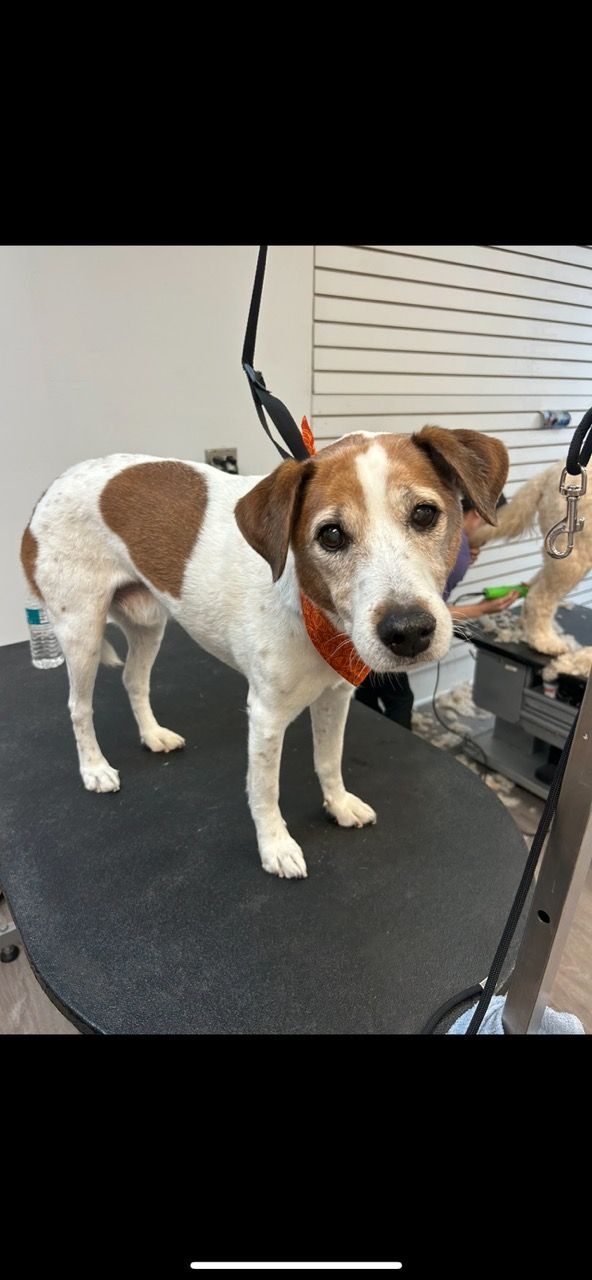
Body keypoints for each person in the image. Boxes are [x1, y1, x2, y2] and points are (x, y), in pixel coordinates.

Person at [355, 494, 520, 728]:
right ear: (479, 515)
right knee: (401, 700)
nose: (491, 538)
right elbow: (432, 612)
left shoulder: (455, 546)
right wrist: (482, 608)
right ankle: (397, 752)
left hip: (364, 629)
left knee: (367, 692)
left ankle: (366, 736)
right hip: (386, 632)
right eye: (493, 529)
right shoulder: (460, 553)